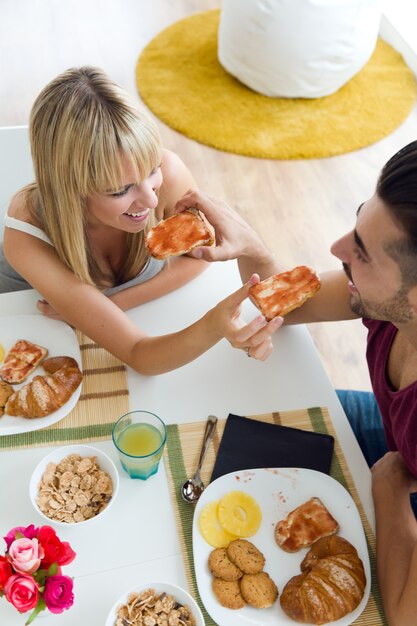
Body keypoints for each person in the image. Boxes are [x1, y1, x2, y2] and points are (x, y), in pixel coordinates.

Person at [175, 140, 417, 626]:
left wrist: (389, 491)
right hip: (390, 431)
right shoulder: (385, 301)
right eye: (356, 220)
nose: (336, 250)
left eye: (362, 253)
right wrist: (253, 247)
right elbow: (291, 300)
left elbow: (406, 614)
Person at [1, 66, 282, 373]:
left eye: (151, 170)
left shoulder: (171, 174)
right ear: (70, 189)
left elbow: (200, 256)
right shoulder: (26, 234)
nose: (150, 200)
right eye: (120, 190)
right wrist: (213, 326)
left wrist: (112, 304)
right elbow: (139, 354)